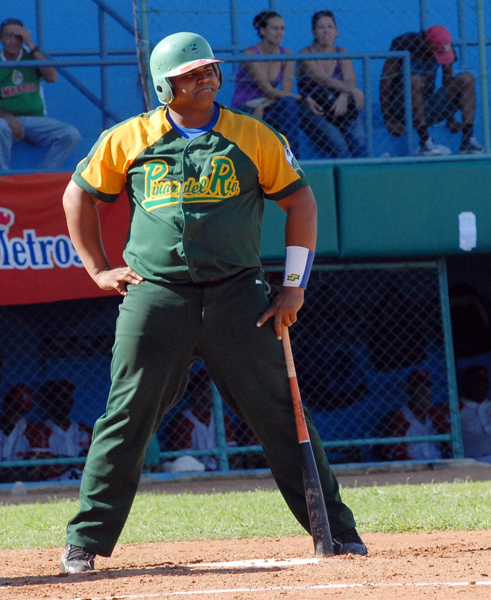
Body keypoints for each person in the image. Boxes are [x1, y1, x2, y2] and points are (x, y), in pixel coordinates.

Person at [59, 31, 366, 574]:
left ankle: (337, 533)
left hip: (238, 296)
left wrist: (294, 284)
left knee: (282, 414)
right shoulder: (129, 137)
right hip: (155, 295)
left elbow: (301, 203)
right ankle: (84, 542)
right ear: (164, 86)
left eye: (210, 69)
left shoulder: (253, 134)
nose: (207, 77)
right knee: (125, 416)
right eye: (192, 73)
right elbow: (77, 195)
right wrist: (98, 269)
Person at [380, 25, 484, 156]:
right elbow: (385, 82)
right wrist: (389, 120)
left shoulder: (445, 45)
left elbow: (448, 80)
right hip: (403, 107)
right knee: (414, 79)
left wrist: (450, 120)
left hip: (428, 103)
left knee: (466, 78)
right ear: (425, 42)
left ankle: (468, 139)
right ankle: (425, 142)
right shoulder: (404, 42)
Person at [231, 10, 321, 157]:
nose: (280, 33)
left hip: (267, 105)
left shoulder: (287, 55)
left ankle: (291, 159)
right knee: (292, 102)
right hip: (246, 107)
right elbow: (268, 90)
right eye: (275, 28)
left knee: (289, 103)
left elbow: (285, 93)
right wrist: (304, 98)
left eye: (282, 28)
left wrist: (263, 105)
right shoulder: (251, 55)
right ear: (262, 31)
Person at [0, 18, 81, 171]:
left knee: (71, 134)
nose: (12, 41)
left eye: (17, 36)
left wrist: (30, 44)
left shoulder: (32, 56)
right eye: (8, 36)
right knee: (0, 127)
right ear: (1, 38)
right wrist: (8, 118)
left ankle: (45, 173)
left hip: (34, 119)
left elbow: (52, 77)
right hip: (5, 120)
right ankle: (2, 176)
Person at [297, 10, 367, 158]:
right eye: (321, 27)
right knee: (339, 146)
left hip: (340, 104)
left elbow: (350, 80)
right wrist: (353, 91)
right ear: (314, 32)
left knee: (359, 142)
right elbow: (322, 79)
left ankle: (365, 171)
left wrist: (345, 95)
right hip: (315, 107)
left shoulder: (341, 52)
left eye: (330, 26)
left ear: (336, 31)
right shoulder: (306, 54)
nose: (326, 31)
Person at [166, 367, 237, 471]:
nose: (215, 394)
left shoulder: (222, 418)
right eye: (210, 390)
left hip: (220, 468)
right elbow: (185, 458)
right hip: (194, 471)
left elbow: (232, 452)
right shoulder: (184, 420)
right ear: (197, 393)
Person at [383, 369, 448, 461]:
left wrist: (431, 410)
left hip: (437, 463)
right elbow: (399, 454)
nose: (423, 389)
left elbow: (451, 438)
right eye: (418, 385)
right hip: (414, 465)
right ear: (410, 389)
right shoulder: (401, 416)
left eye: (427, 385)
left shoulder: (435, 414)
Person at [39, 379, 92, 479]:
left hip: (83, 481)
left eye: (67, 396)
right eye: (58, 397)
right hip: (53, 484)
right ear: (49, 401)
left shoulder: (85, 430)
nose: (63, 401)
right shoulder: (40, 431)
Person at [459, 364, 491, 463]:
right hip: (471, 462)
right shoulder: (454, 408)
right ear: (467, 384)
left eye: (484, 382)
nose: (480, 386)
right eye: (476, 382)